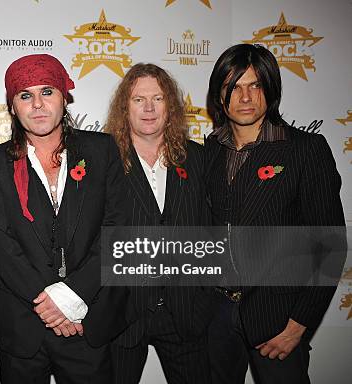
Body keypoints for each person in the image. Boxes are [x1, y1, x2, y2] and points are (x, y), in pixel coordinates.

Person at [0, 53, 130, 383]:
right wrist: (54, 308)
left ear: (64, 97)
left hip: (87, 321)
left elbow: (118, 230)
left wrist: (73, 297)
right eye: (25, 95)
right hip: (24, 325)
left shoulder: (104, 151)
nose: (37, 105)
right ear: (12, 106)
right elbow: (1, 247)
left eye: (47, 92)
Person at [204, 43, 345, 384]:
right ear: (219, 95)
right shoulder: (209, 150)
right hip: (214, 315)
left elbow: (330, 245)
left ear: (271, 89)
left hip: (277, 317)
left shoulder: (305, 149)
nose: (246, 97)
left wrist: (299, 323)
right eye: (233, 87)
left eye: (256, 85)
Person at [105, 63, 213, 384]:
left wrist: (204, 299)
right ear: (125, 107)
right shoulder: (105, 160)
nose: (149, 108)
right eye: (139, 100)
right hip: (123, 314)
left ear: (171, 106)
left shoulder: (198, 159)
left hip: (185, 314)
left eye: (158, 98)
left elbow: (212, 231)